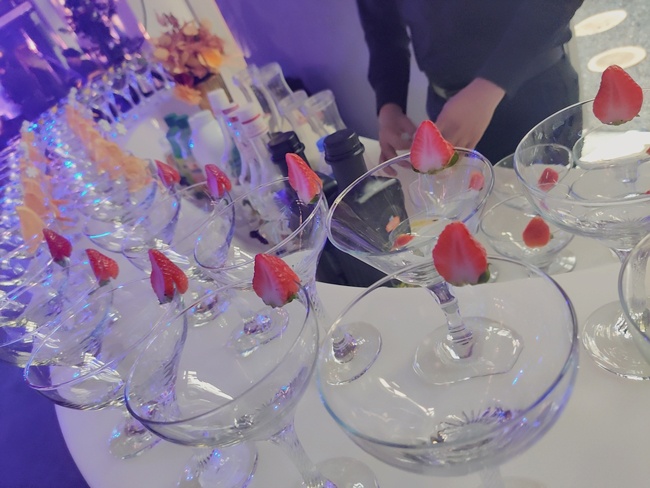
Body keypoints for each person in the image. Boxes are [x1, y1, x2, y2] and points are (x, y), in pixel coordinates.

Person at [356, 0, 584, 164]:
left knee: (553, 207)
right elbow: (382, 30)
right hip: (446, 109)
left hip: (535, 97)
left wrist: (489, 87)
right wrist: (389, 106)